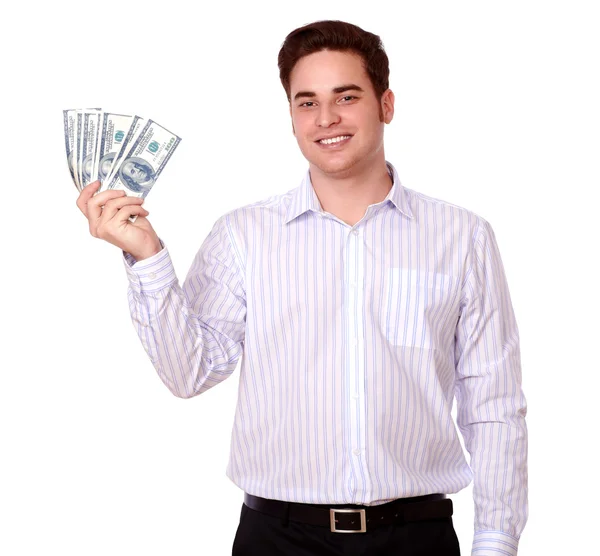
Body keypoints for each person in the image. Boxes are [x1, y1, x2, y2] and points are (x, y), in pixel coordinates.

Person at [75, 19, 528, 556]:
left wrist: (496, 544)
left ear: (386, 104)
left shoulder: (462, 237)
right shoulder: (243, 236)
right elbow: (189, 373)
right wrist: (146, 256)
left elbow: (493, 404)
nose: (327, 118)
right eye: (306, 102)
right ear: (290, 117)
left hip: (417, 537)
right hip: (278, 540)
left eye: (346, 96)